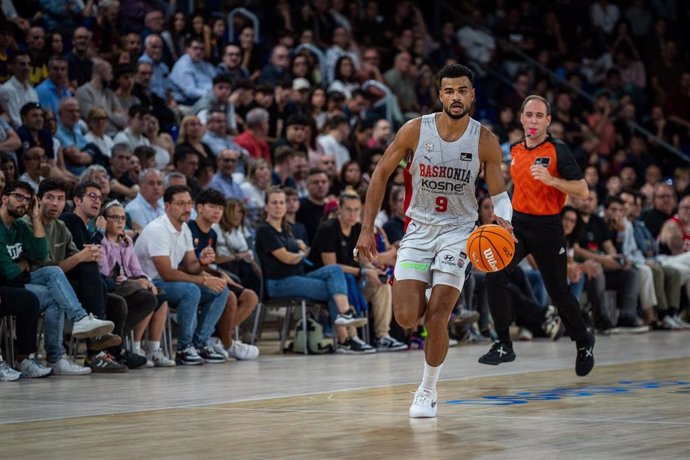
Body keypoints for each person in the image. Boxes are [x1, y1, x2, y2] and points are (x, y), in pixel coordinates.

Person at [355, 64, 513, 417]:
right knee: (407, 318)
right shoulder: (415, 130)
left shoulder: (485, 139)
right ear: (440, 95)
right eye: (449, 91)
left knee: (438, 316)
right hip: (419, 229)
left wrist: (506, 223)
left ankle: (427, 390)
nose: (456, 97)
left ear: (472, 94)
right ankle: (427, 288)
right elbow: (380, 175)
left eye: (462, 91)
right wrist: (367, 228)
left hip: (459, 233)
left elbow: (499, 193)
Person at [480, 94, 595, 374]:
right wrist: (502, 214)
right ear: (521, 118)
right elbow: (513, 189)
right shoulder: (516, 151)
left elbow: (582, 190)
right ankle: (504, 343)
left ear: (548, 121)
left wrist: (552, 180)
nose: (533, 120)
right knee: (495, 273)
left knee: (559, 292)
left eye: (539, 116)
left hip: (548, 228)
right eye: (528, 115)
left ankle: (583, 340)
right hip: (519, 224)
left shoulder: (559, 150)